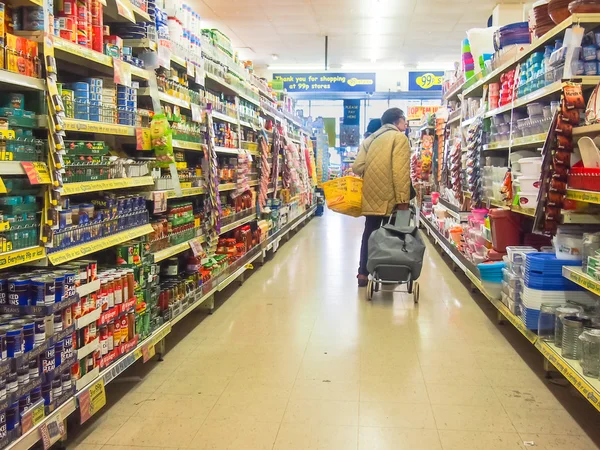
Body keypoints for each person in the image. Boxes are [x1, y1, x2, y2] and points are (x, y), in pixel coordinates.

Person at [352, 108, 411, 287]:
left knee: (369, 232)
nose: (406, 124)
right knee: (390, 235)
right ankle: (386, 273)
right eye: (404, 120)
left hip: (371, 195)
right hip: (390, 197)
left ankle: (363, 273)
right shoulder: (399, 138)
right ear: (396, 121)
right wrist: (403, 200)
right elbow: (400, 172)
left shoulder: (370, 139)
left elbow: (357, 167)